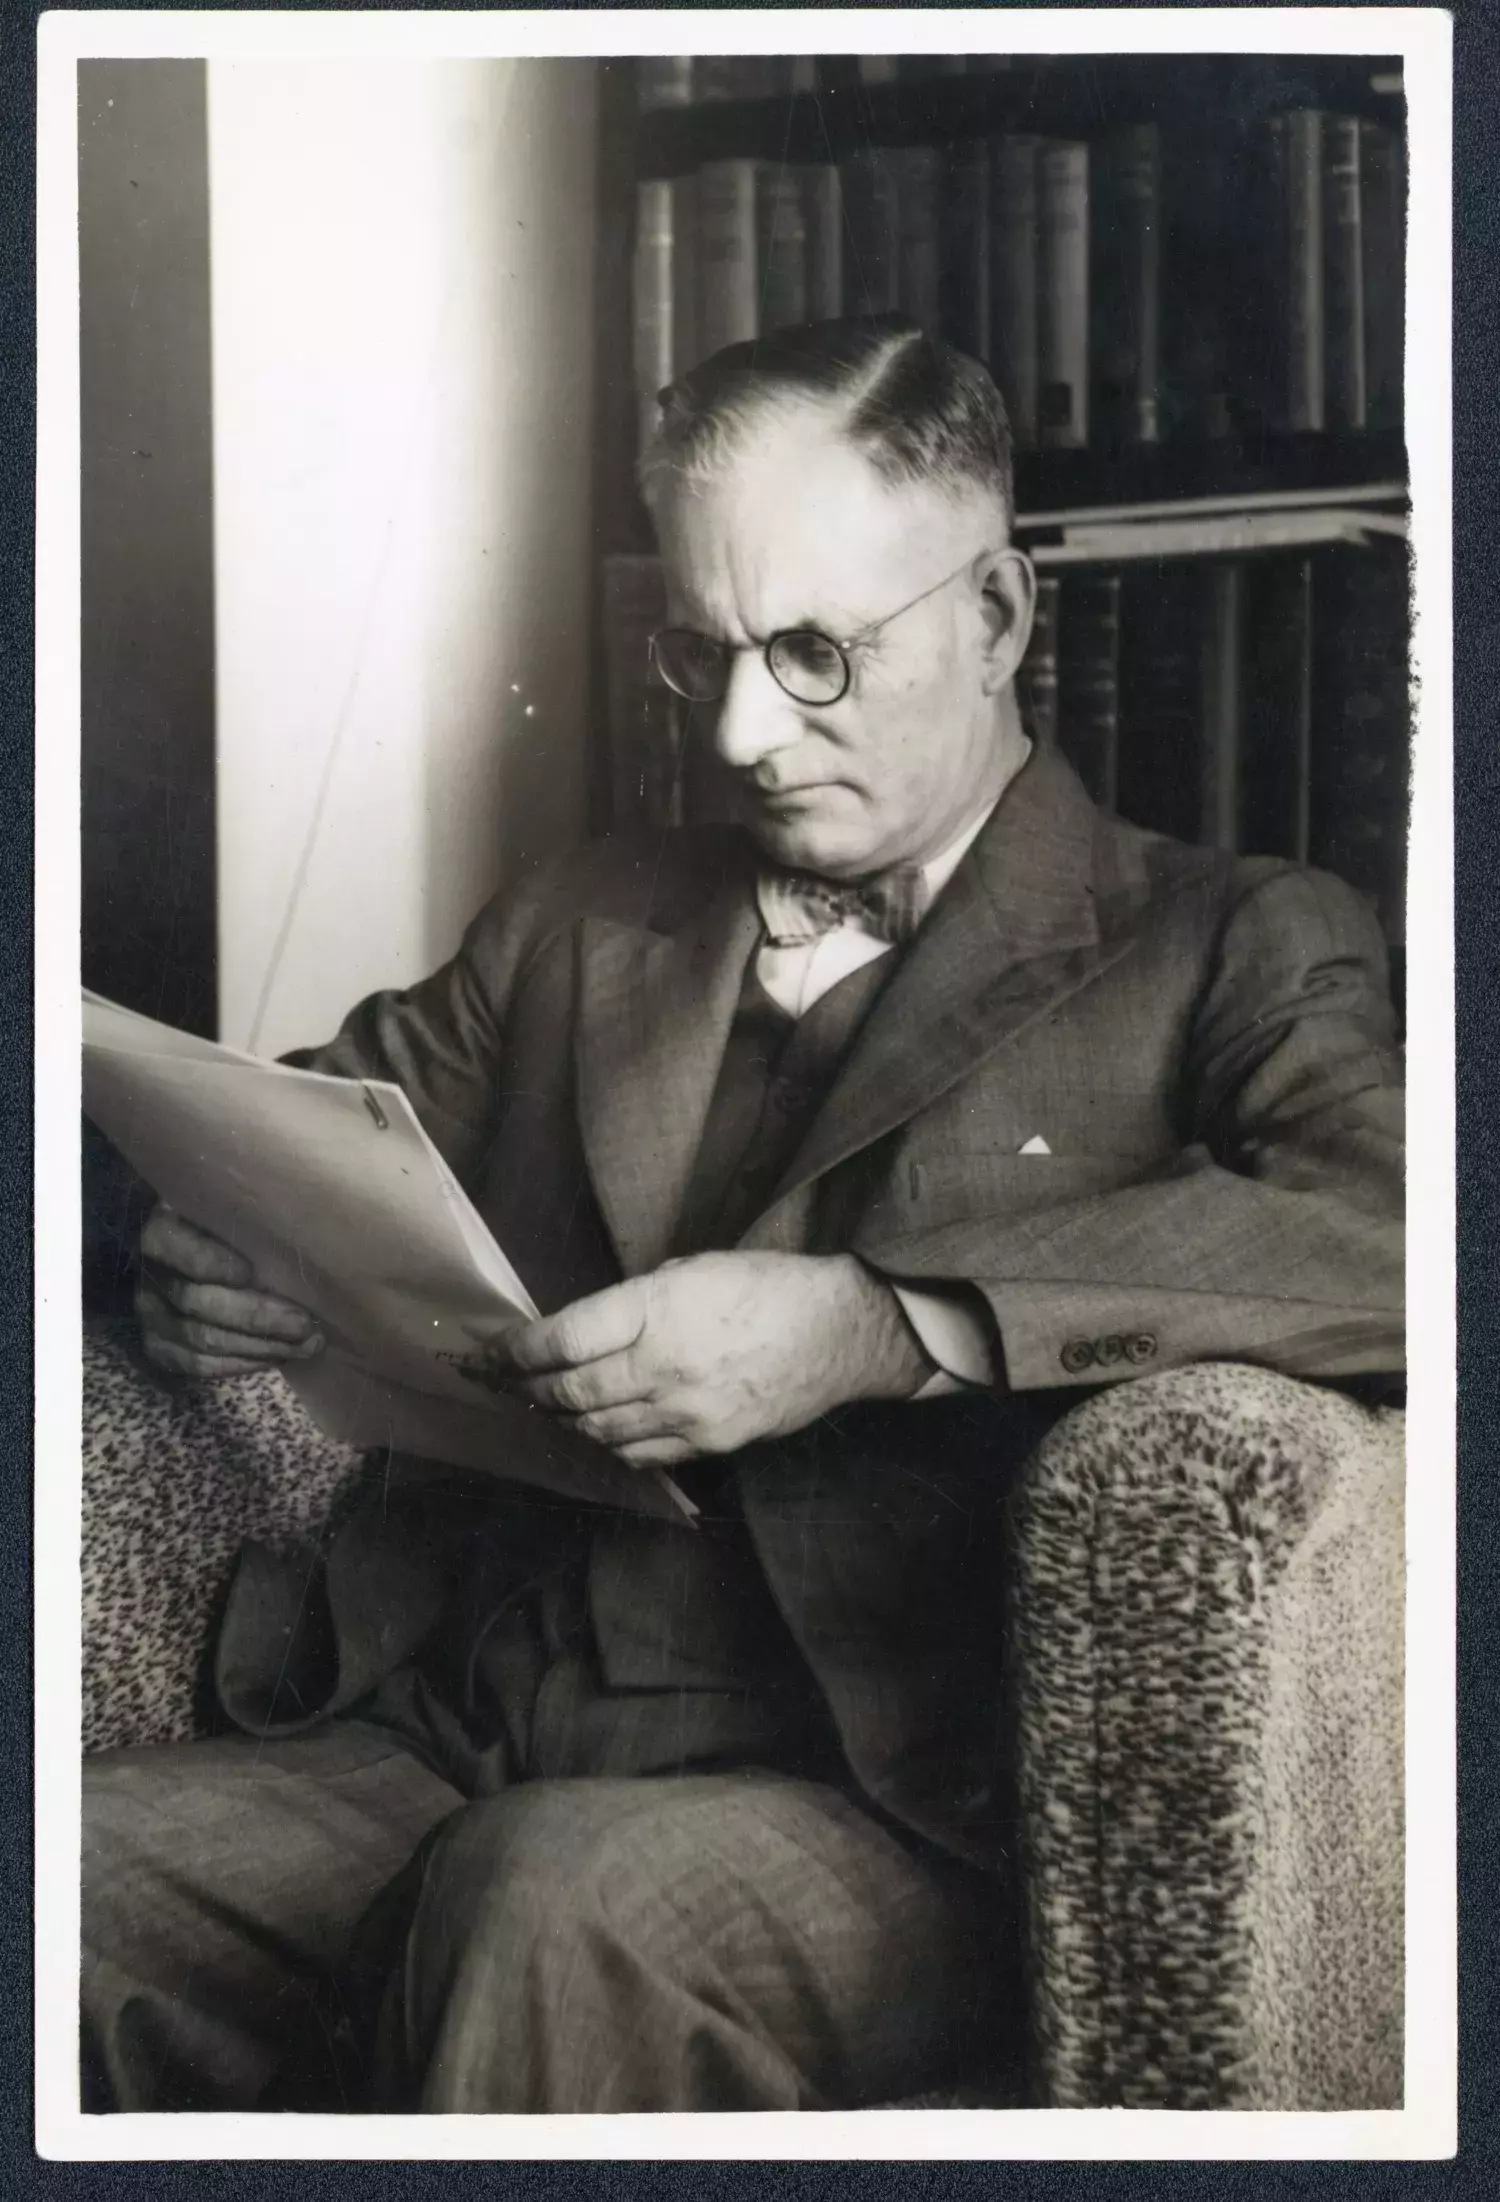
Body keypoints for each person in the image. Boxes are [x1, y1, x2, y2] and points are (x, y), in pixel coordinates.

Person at [81, 317, 1405, 2114]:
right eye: (700, 653)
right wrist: (194, 1251)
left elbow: (1401, 1242)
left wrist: (878, 1322)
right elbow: (293, 1124)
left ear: (999, 616)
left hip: (872, 1803)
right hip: (447, 1725)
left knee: (548, 1907)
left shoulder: (1232, 940)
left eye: (811, 653)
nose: (739, 731)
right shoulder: (579, 918)